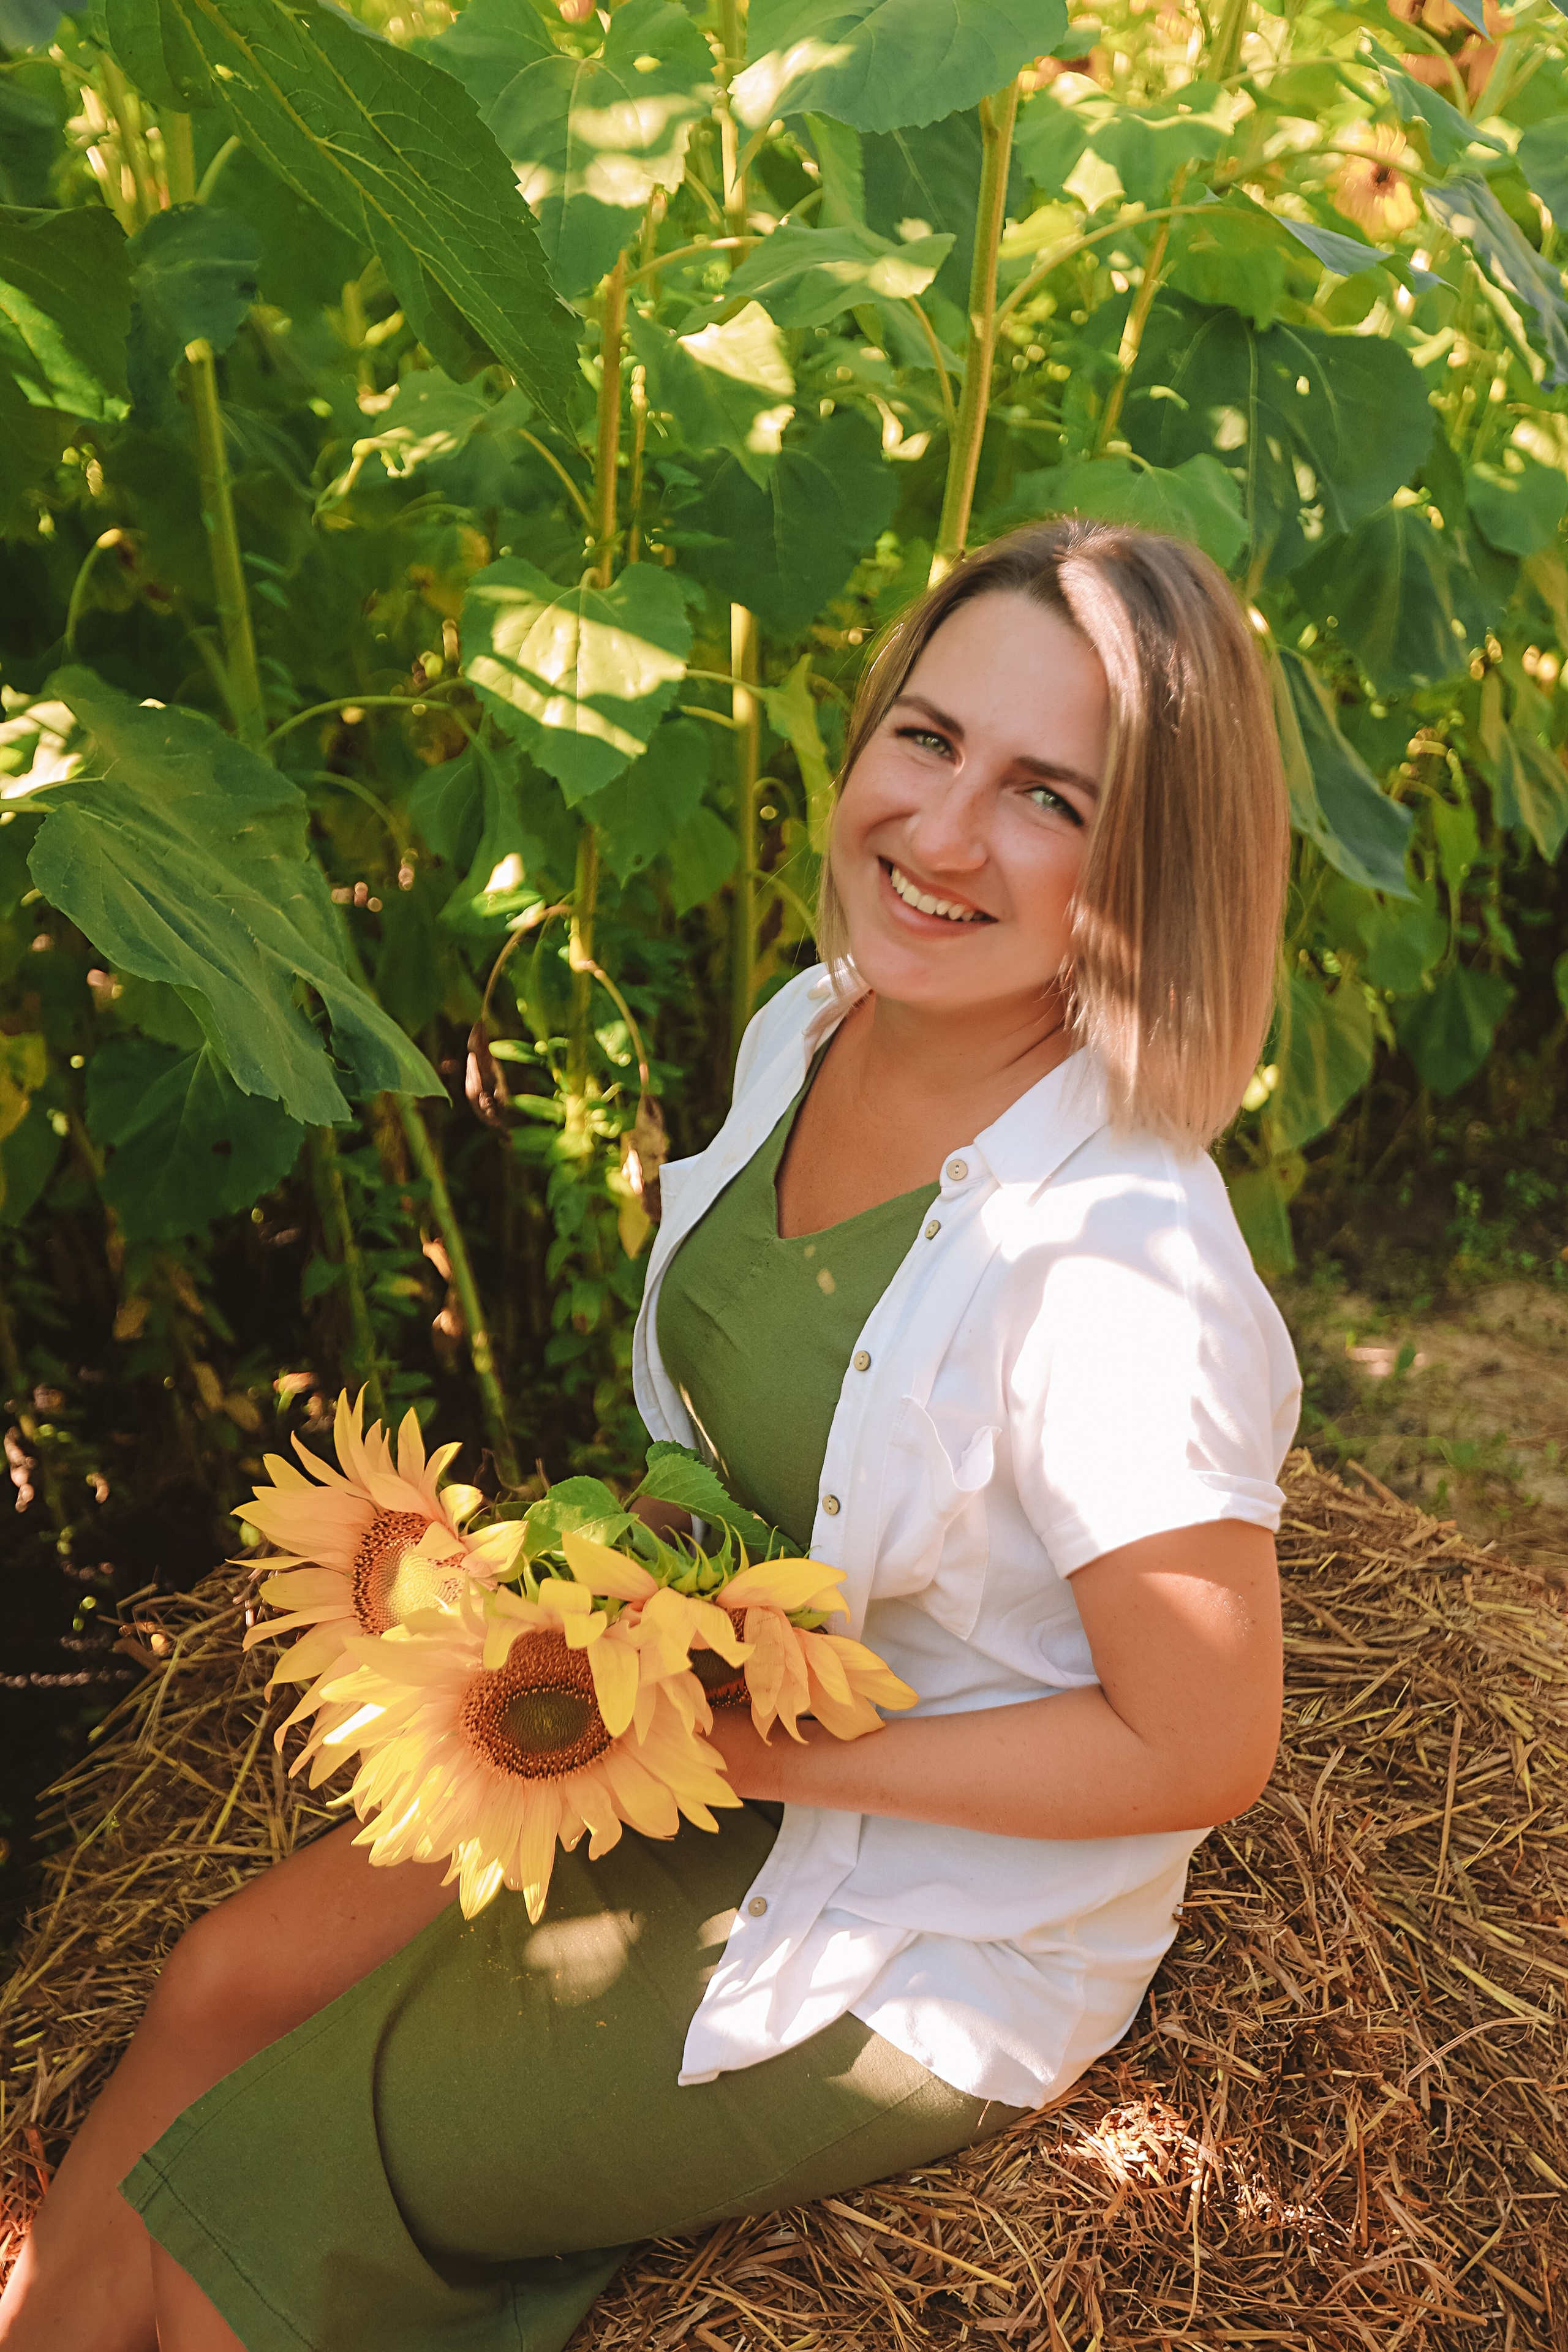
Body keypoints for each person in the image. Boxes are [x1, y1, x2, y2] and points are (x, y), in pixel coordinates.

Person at [0, 518, 1299, 2352]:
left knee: (250, 2237)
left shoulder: (1117, 1263)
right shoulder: (815, 1029)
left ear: (1158, 868)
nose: (939, 835)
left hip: (914, 1922)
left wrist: (758, 1754)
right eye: (925, 741)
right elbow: (734, 1445)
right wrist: (564, 1588)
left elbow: (1200, 1744)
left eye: (1049, 799)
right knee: (216, 1986)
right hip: (662, 1741)